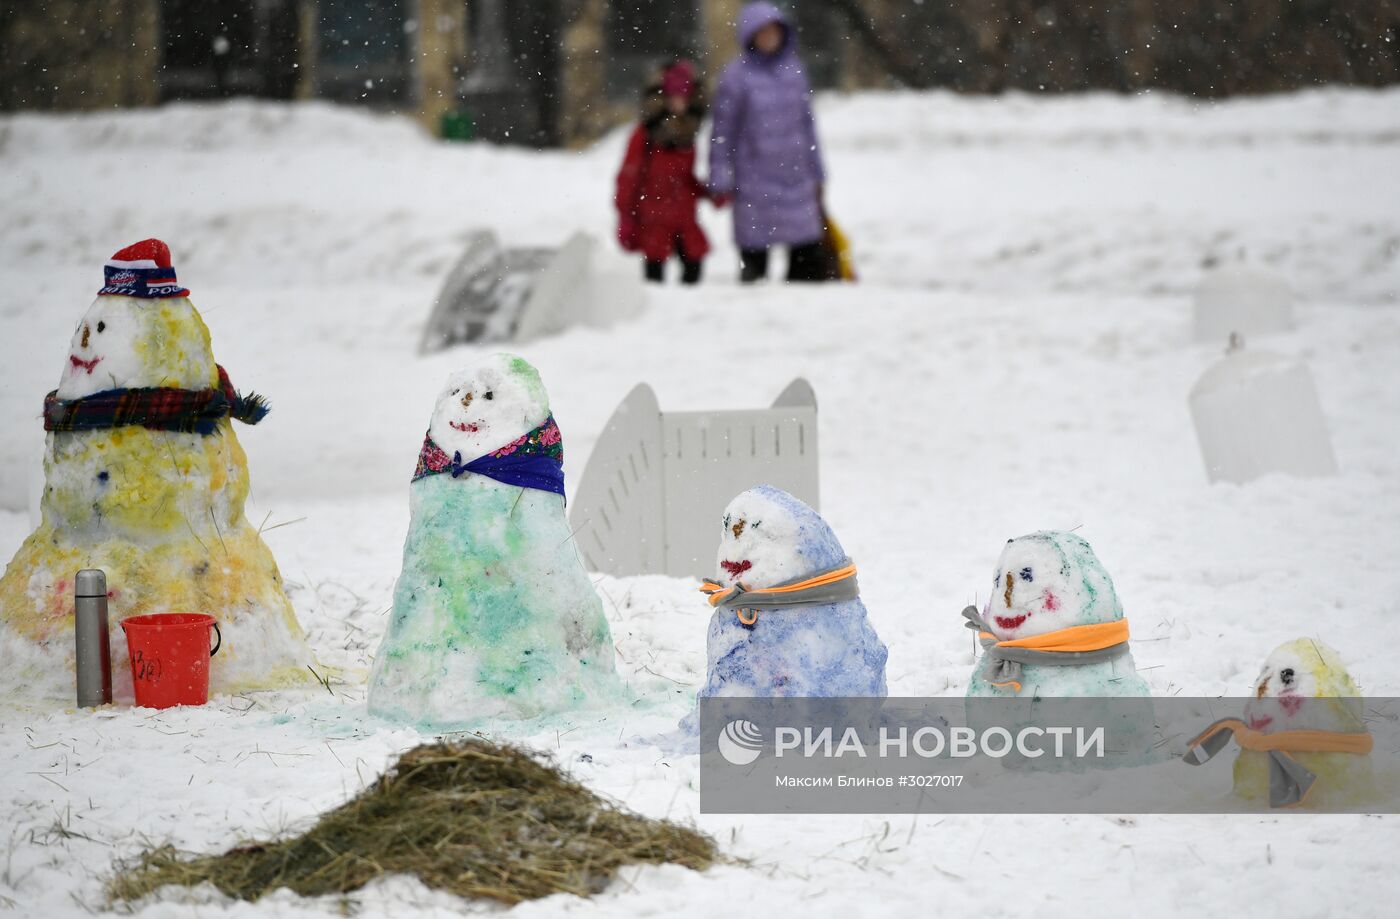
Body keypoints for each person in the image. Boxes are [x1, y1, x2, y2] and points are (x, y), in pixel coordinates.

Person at [710, 2, 829, 283]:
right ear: (749, 35)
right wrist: (720, 176)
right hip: (754, 182)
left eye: (773, 31)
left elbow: (807, 126)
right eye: (762, 32)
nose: (769, 37)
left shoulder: (795, 71)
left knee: (807, 267)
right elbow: (722, 133)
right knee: (754, 268)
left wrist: (818, 173)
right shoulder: (735, 77)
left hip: (796, 179)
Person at [614, 59, 712, 285]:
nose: (678, 102)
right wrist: (626, 215)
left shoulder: (687, 137)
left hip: (684, 216)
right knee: (655, 278)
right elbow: (629, 177)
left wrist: (709, 192)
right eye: (673, 96)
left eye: (684, 95)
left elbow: (685, 176)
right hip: (653, 218)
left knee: (693, 267)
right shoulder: (645, 135)